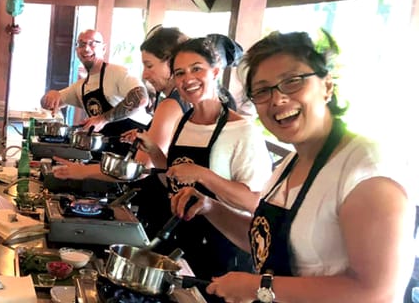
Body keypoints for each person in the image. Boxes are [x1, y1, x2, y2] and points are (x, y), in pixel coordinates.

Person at [171, 31, 414, 303]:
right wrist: (211, 207)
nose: (278, 100)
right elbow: (267, 239)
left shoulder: (366, 169)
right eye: (262, 91)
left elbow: (377, 294)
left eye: (292, 82)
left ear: (327, 86)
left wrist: (257, 286)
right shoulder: (291, 162)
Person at [56, 36, 272, 284]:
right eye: (180, 73)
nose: (187, 78)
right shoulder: (185, 120)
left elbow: (255, 203)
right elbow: (172, 180)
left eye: (196, 69)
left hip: (221, 253)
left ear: (215, 71)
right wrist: (157, 155)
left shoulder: (242, 131)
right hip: (179, 242)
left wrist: (203, 174)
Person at [39, 29, 151, 151]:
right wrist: (51, 96)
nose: (86, 49)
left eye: (92, 43)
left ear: (103, 49)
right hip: (106, 151)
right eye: (81, 44)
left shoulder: (117, 72)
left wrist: (103, 119)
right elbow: (46, 104)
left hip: (137, 149)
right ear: (77, 50)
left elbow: (141, 98)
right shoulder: (81, 86)